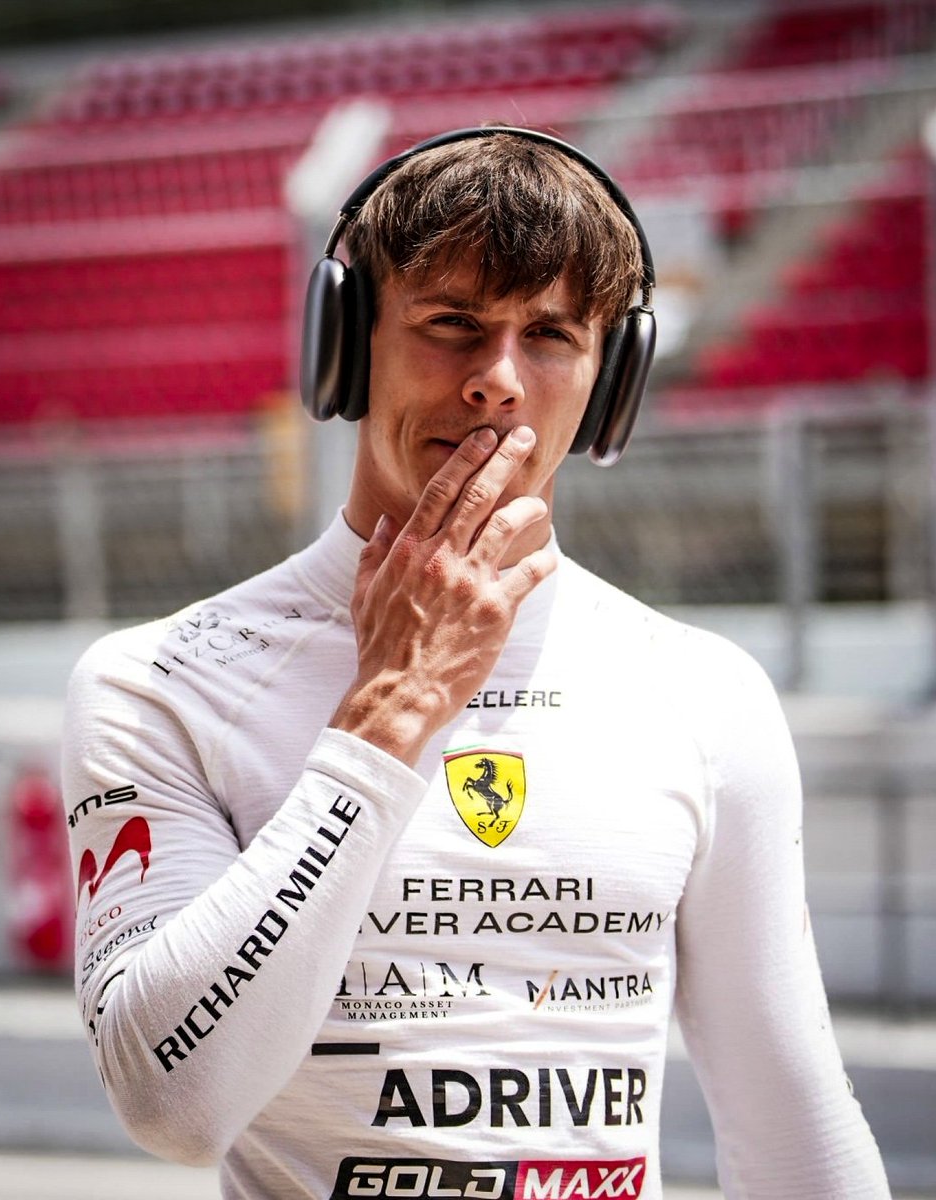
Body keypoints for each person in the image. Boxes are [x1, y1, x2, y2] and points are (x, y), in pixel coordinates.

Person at [63, 127, 890, 1200]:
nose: (498, 382)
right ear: (346, 346)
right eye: (451, 324)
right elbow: (173, 1106)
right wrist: (388, 713)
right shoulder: (158, 681)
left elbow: (795, 1131)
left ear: (612, 379)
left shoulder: (703, 690)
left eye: (549, 335)